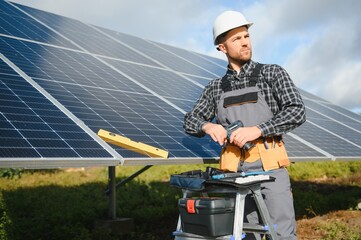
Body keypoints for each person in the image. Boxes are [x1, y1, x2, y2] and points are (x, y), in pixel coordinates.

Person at [183, 10, 306, 240]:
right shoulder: (214, 88)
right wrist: (207, 127)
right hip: (233, 174)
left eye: (246, 36)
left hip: (270, 169)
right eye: (236, 39)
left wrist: (258, 130)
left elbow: (296, 111)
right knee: (246, 234)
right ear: (222, 47)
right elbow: (189, 120)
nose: (245, 42)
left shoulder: (272, 73)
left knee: (282, 234)